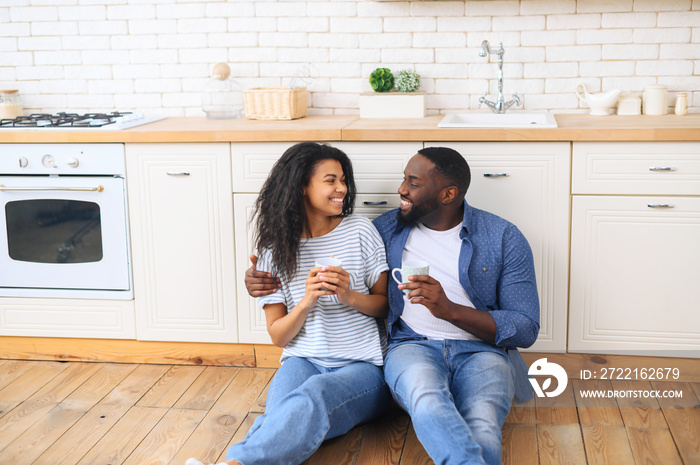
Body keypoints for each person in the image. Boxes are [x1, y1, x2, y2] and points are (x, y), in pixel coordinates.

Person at [246, 146, 540, 465]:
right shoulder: (386, 228)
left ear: (448, 194)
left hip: (481, 351)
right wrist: (257, 278)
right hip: (412, 346)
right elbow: (304, 256)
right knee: (423, 400)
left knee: (482, 425)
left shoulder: (503, 237)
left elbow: (525, 328)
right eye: (404, 179)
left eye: (412, 182)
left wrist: (449, 310)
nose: (400, 189)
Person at [188, 142, 391, 465]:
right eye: (331, 180)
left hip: (363, 367)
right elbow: (278, 336)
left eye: (343, 180)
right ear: (301, 187)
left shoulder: (360, 230)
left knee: (312, 399)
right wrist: (307, 301)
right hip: (302, 359)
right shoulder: (274, 249)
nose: (342, 189)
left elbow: (385, 306)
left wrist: (348, 295)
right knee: (281, 417)